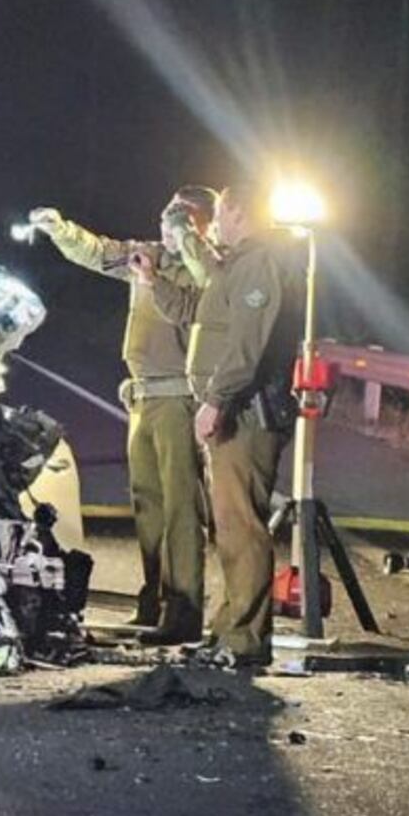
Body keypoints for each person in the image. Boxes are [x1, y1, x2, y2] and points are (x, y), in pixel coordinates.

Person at [28, 187, 217, 644]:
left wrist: (159, 274)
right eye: (166, 215)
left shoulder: (209, 266)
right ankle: (153, 603)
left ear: (202, 224)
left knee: (181, 509)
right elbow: (99, 252)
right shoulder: (147, 255)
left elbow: (196, 307)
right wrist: (60, 229)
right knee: (149, 507)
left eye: (180, 217)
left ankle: (184, 611)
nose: (167, 225)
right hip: (143, 397)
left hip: (179, 398)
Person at [144, 182, 303, 664]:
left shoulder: (260, 263)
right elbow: (200, 313)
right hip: (234, 411)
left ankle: (245, 640)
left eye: (218, 216)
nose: (213, 226)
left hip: (247, 414)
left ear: (237, 212)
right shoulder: (235, 265)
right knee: (230, 528)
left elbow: (246, 347)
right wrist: (155, 280)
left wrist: (216, 401)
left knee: (242, 529)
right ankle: (230, 629)